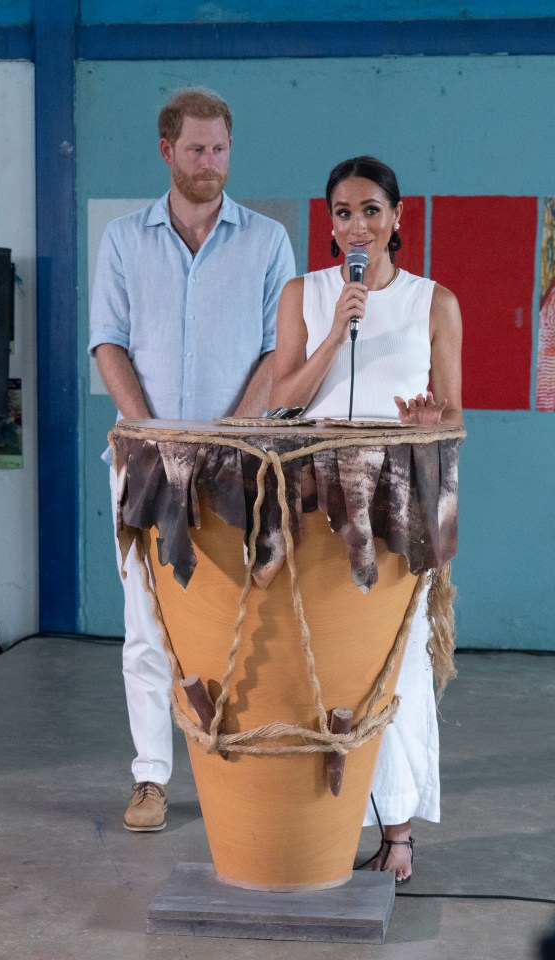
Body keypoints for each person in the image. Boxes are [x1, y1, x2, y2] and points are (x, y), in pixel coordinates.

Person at [88, 87, 295, 833]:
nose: (210, 164)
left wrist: (226, 437)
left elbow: (281, 349)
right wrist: (152, 436)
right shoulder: (122, 240)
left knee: (240, 622)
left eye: (221, 150)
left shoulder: (269, 241)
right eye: (196, 149)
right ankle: (151, 779)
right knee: (146, 623)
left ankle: (228, 767)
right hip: (142, 462)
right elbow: (107, 341)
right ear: (166, 151)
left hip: (236, 465)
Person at [270, 155, 463, 883]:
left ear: (398, 218)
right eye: (345, 212)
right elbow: (283, 398)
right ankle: (322, 820)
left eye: (372, 211)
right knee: (321, 661)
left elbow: (453, 419)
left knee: (399, 662)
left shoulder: (434, 301)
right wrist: (332, 334)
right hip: (314, 498)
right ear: (330, 224)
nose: (359, 224)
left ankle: (400, 831)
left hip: (402, 499)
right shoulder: (305, 294)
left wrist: (426, 426)